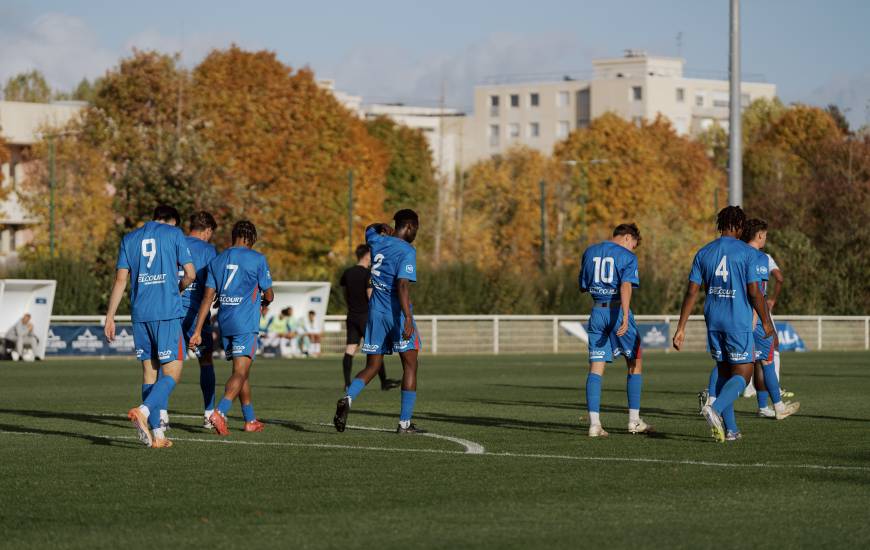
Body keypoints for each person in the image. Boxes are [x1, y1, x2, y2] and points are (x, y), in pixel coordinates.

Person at [673, 206, 794, 443]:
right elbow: (754, 292)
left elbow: (691, 292)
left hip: (713, 321)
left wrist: (681, 327)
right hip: (737, 321)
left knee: (726, 371)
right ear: (739, 226)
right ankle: (714, 408)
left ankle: (731, 430)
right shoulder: (748, 253)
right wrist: (767, 321)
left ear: (721, 225)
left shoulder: (703, 252)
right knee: (743, 374)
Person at [105, 204, 195, 449]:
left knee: (149, 373)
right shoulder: (173, 234)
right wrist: (177, 290)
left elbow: (121, 279)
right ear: (169, 221)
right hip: (166, 312)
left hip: (140, 314)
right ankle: (143, 411)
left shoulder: (130, 238)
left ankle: (158, 436)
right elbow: (190, 274)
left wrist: (110, 316)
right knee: (172, 373)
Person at [333, 209, 423, 434]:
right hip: (396, 314)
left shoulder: (377, 240)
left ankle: (348, 397)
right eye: (416, 230)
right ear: (409, 226)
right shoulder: (407, 251)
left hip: (374, 313)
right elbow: (402, 285)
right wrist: (408, 317)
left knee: (372, 365)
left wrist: (381, 225)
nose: (416, 234)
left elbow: (368, 229)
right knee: (410, 364)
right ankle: (404, 424)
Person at [189, 220, 273, 436]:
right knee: (241, 371)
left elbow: (207, 298)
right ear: (251, 238)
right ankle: (220, 411)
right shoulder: (257, 258)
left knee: (241, 372)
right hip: (245, 323)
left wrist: (197, 330)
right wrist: (264, 303)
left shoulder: (217, 260)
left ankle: (250, 420)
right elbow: (270, 293)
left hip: (225, 322)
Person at [578, 223, 651, 437]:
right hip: (617, 310)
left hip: (597, 312)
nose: (632, 250)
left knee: (596, 368)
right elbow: (625, 286)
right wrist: (626, 316)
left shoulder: (589, 251)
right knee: (635, 360)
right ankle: (634, 421)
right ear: (627, 238)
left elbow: (583, 285)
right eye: (633, 245)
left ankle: (594, 424)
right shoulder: (627, 257)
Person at [741, 219, 800, 419]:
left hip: (735, 316)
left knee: (726, 362)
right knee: (767, 360)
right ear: (759, 235)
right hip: (754, 317)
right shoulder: (759, 257)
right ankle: (778, 406)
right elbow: (757, 292)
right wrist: (762, 319)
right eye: (765, 235)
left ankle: (713, 400)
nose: (766, 238)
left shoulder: (735, 254)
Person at [339, 244, 399, 390]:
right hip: (366, 316)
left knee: (350, 349)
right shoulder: (368, 274)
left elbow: (345, 292)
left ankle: (347, 383)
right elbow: (370, 295)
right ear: (367, 255)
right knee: (376, 348)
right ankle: (384, 382)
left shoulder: (347, 273)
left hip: (352, 316)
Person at [180, 211, 219, 429]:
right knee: (205, 361)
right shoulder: (208, 250)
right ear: (207, 231)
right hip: (197, 314)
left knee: (167, 363)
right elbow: (211, 285)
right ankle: (208, 414)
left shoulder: (174, 243)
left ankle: (161, 416)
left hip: (172, 312)